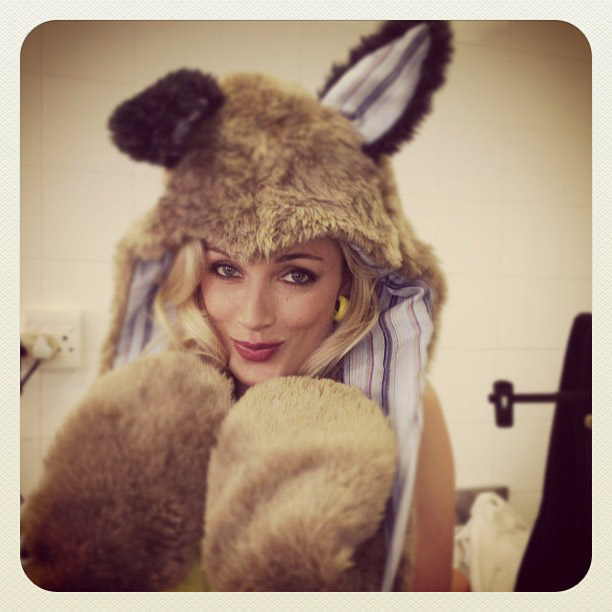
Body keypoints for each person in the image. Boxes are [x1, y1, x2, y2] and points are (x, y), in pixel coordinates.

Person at [21, 20, 454, 591]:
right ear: (193, 274)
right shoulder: (143, 402)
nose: (253, 316)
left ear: (347, 283)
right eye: (226, 269)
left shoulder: (409, 410)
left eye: (296, 275)